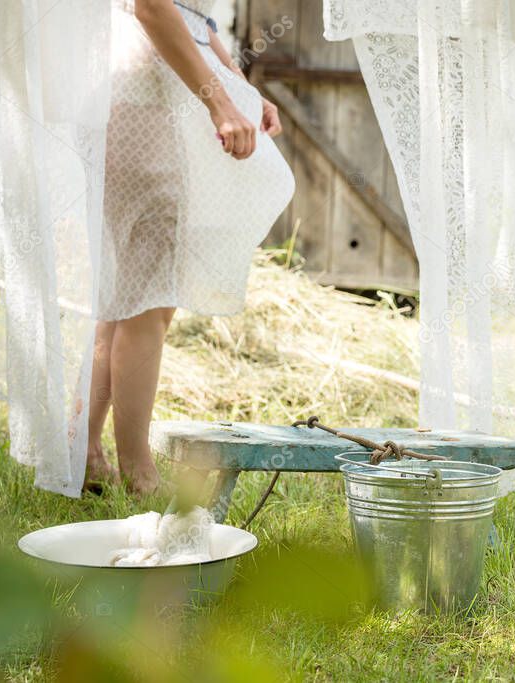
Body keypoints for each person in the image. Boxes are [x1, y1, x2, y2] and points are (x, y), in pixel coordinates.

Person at [86, 0, 295, 493]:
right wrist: (220, 103)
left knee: (126, 296)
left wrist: (242, 91)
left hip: (161, 93)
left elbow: (196, 18)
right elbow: (153, 7)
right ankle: (138, 473)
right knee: (152, 299)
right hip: (148, 96)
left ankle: (84, 450)